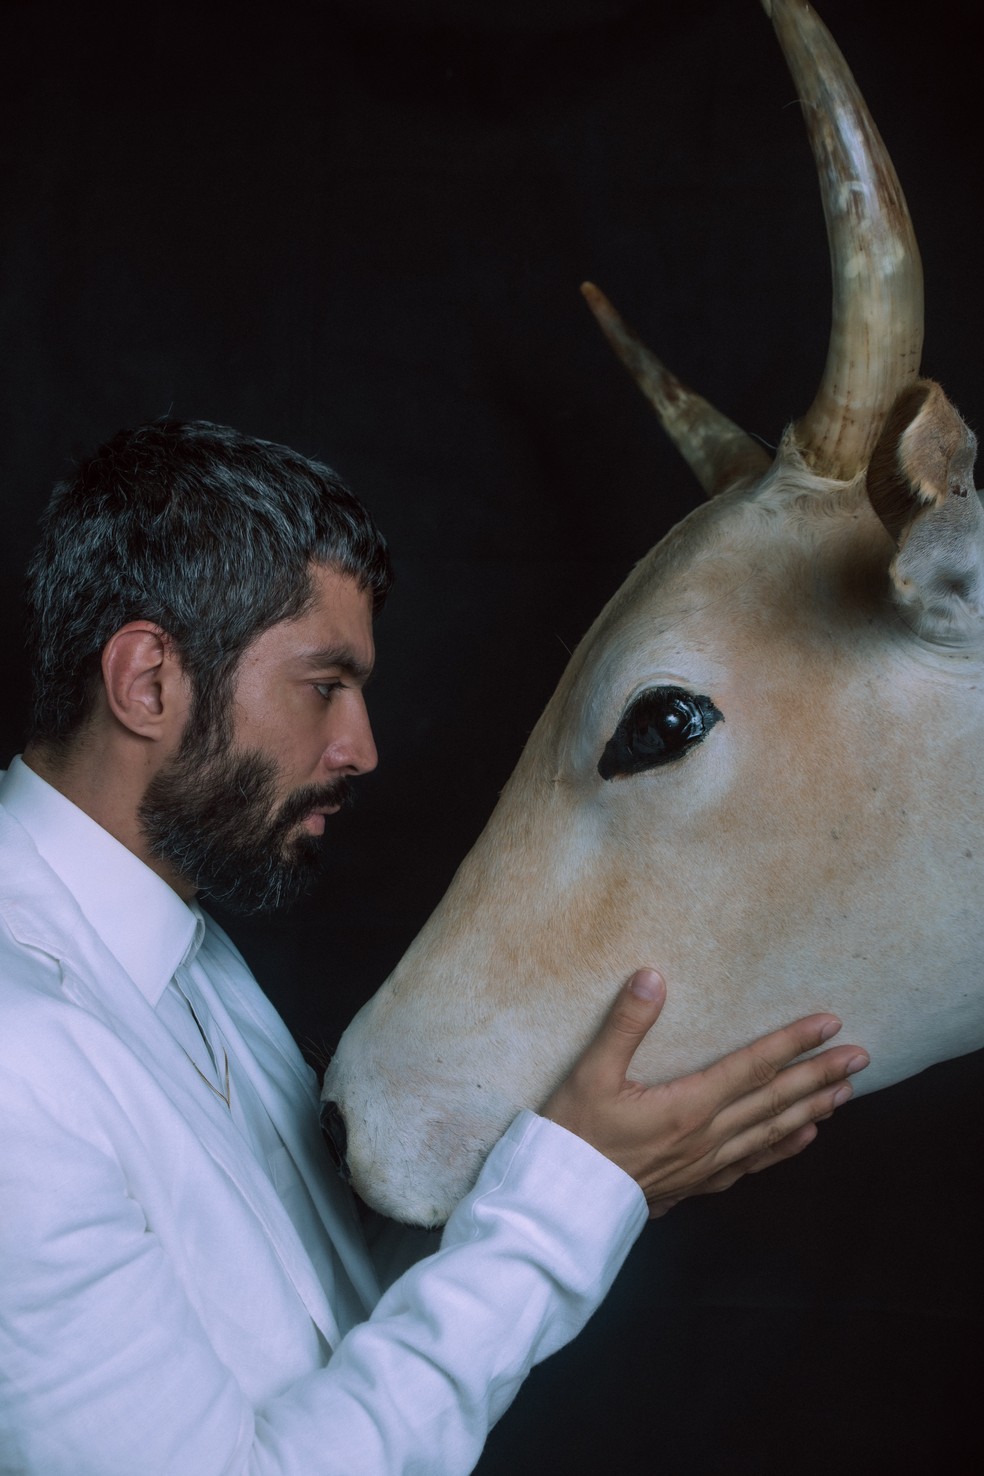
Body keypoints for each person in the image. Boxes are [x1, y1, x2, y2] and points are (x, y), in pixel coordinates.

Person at [0, 420, 868, 1475]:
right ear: (147, 683)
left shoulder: (186, 961)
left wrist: (617, 1171)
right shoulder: (19, 1059)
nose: (360, 747)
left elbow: (327, 1319)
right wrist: (568, 1198)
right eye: (324, 685)